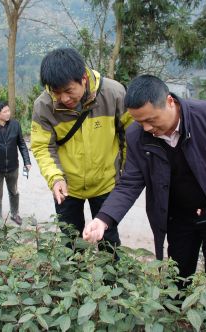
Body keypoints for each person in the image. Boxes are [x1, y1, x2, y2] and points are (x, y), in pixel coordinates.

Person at [83, 74, 206, 308]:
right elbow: (130, 182)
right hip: (178, 216)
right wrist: (103, 220)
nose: (148, 128)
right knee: (178, 278)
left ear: (169, 102)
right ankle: (176, 319)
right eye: (140, 122)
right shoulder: (138, 135)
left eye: (151, 120)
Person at [31, 48, 133, 251]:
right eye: (56, 92)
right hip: (67, 188)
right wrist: (55, 178)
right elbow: (42, 146)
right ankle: (75, 280)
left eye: (69, 91)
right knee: (71, 242)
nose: (64, 99)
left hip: (106, 184)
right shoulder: (44, 106)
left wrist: (124, 174)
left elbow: (129, 137)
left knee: (109, 242)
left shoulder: (113, 93)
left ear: (84, 78)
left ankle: (111, 282)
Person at [0, 101, 31, 225]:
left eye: (9, 110)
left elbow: (22, 144)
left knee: (14, 192)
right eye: (5, 111)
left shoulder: (15, 125)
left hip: (13, 167)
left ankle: (15, 214)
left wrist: (27, 161)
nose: (9, 113)